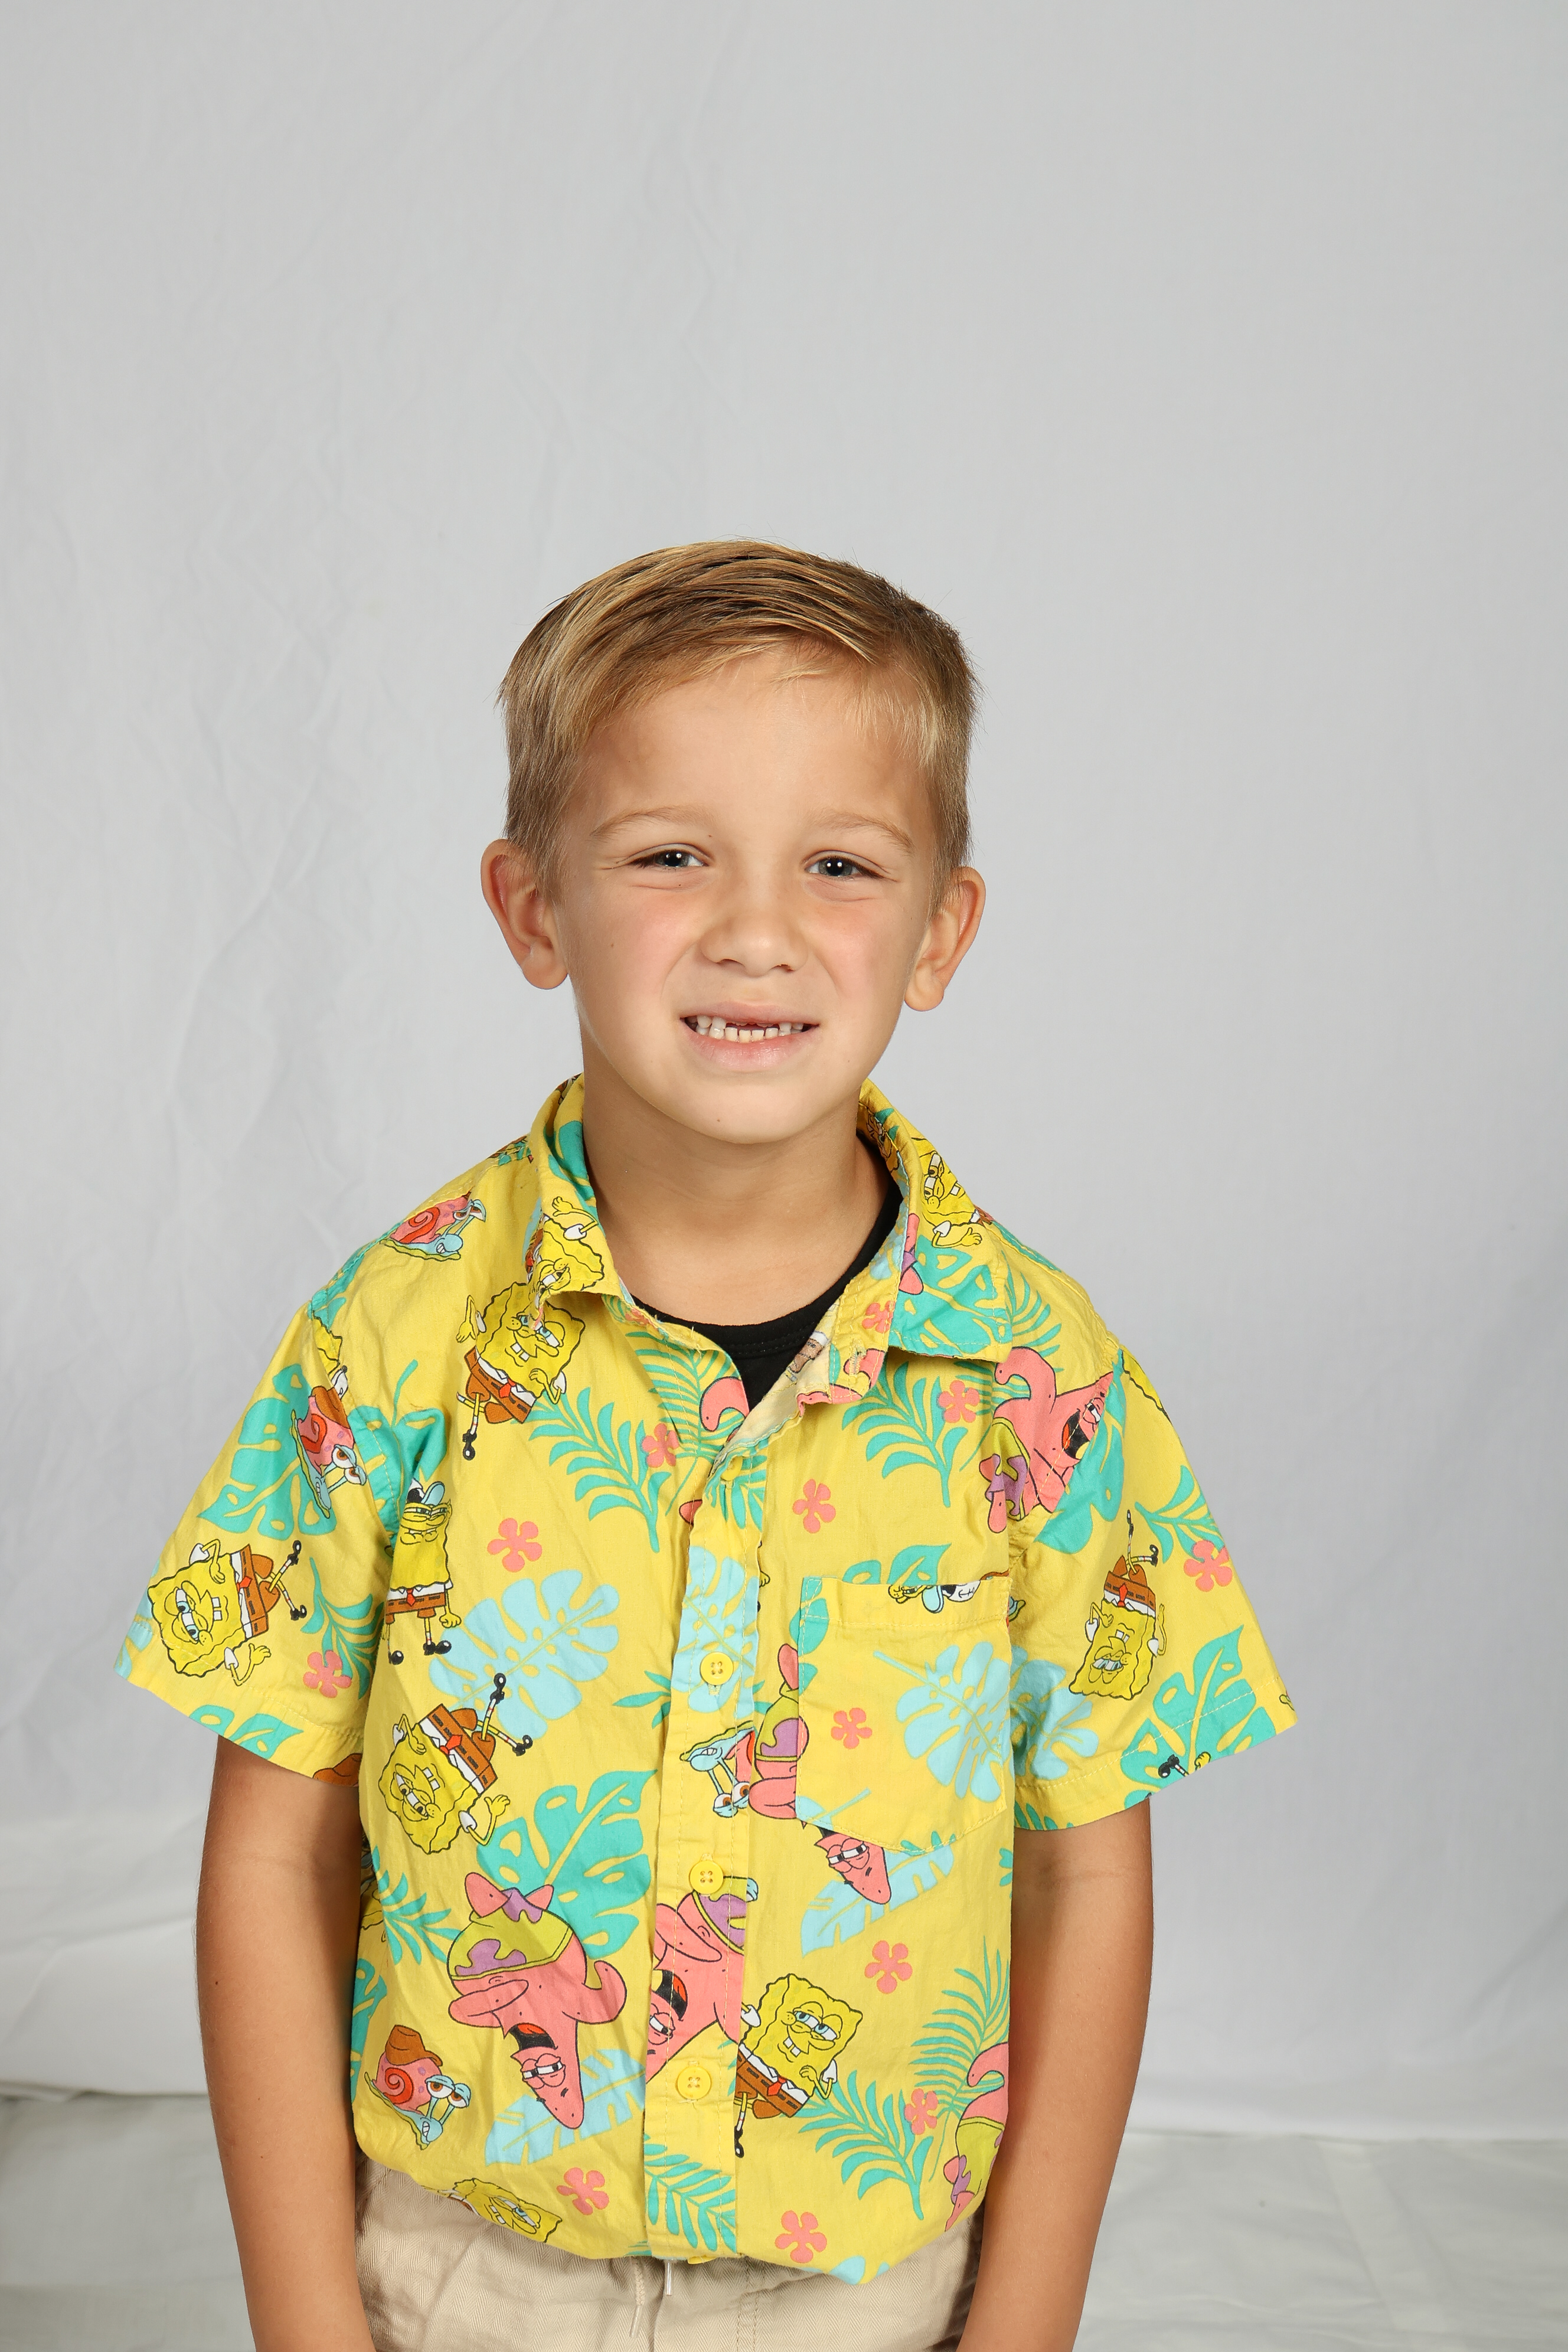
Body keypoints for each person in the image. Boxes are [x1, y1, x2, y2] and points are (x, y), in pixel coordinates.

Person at [118, 541, 1293, 2352]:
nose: (757, 928)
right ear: (534, 909)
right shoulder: (393, 1339)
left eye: (841, 864)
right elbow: (275, 1859)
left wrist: (1026, 2319)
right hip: (459, 2273)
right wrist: (305, 2322)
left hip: (873, 2289)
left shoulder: (1038, 1379)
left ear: (942, 929)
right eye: (672, 855)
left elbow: (1086, 1872)